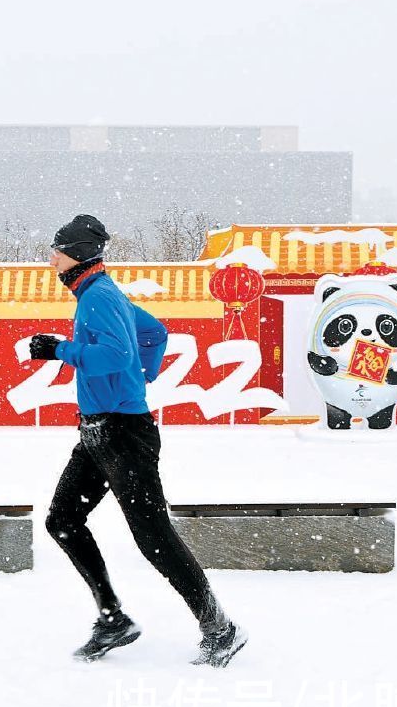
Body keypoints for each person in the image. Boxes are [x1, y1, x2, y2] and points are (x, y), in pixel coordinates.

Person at [28, 214, 247, 667]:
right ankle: (113, 619)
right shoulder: (100, 292)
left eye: (57, 249)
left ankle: (219, 628)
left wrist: (59, 351)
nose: (51, 257)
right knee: (63, 520)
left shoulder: (98, 297)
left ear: (78, 255)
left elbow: (117, 352)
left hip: (124, 433)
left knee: (154, 537)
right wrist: (142, 374)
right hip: (98, 431)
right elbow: (153, 334)